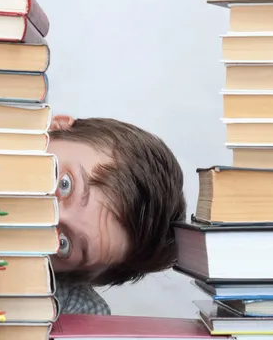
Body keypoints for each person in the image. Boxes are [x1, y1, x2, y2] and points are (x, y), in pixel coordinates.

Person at [48, 115, 186, 314]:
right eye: (64, 184)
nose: (42, 221)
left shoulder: (68, 313)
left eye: (63, 244)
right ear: (54, 127)